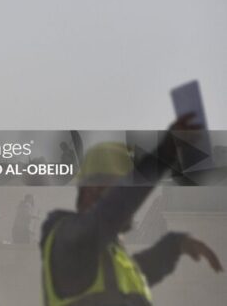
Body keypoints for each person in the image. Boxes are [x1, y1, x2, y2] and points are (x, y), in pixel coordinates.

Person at [40, 114, 223, 306]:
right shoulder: (69, 239)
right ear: (92, 191)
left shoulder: (104, 253)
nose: (132, 205)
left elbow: (137, 274)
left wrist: (176, 245)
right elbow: (113, 210)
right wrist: (167, 151)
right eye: (122, 187)